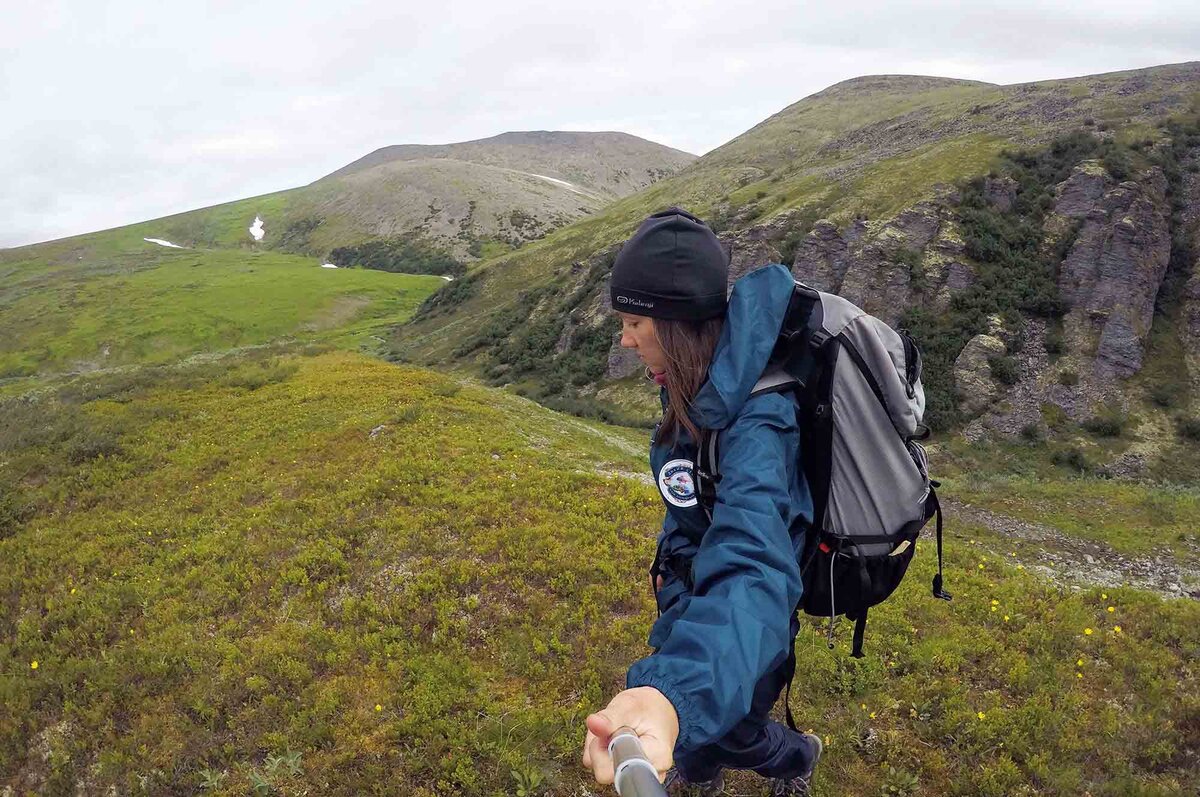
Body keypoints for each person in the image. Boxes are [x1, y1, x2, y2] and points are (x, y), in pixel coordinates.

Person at [581, 208, 823, 796]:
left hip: (747, 606)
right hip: (691, 589)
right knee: (698, 736)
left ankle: (798, 758)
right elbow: (695, 504)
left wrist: (675, 696)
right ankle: (698, 767)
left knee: (736, 727)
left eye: (636, 320)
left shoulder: (758, 421)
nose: (625, 337)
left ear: (680, 324)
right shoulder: (701, 387)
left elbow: (755, 564)